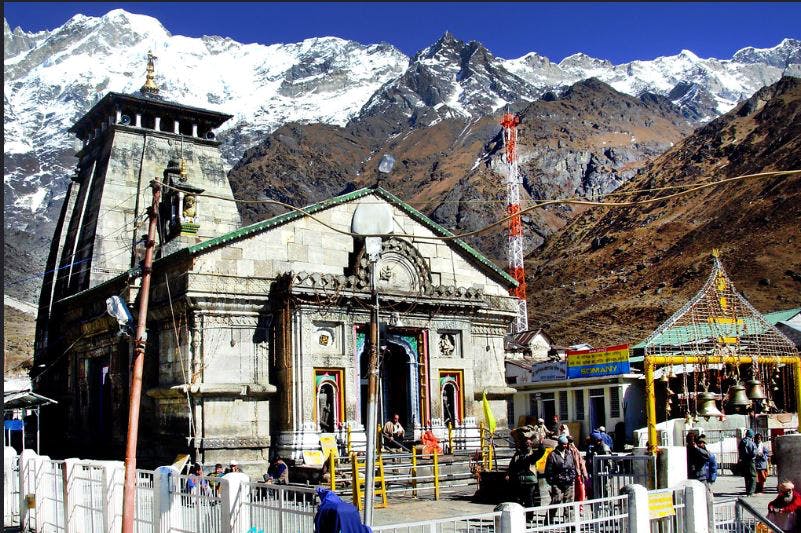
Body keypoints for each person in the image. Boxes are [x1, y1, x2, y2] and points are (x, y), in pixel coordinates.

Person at [506, 434, 546, 507]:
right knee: (518, 501)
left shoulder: (532, 456)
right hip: (519, 481)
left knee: (529, 500)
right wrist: (508, 474)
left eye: (530, 443)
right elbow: (512, 466)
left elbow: (541, 452)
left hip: (530, 482)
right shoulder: (517, 455)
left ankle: (529, 517)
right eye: (527, 443)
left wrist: (541, 444)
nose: (528, 445)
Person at [544, 436, 577, 523]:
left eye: (566, 444)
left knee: (569, 503)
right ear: (559, 444)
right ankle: (549, 519)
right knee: (556, 500)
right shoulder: (552, 455)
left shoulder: (569, 454)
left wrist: (572, 477)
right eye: (563, 444)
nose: (565, 446)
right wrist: (552, 481)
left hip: (568, 482)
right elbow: (548, 470)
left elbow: (572, 467)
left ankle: (569, 522)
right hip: (557, 482)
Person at [738, 429, 757, 496]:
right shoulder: (750, 442)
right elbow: (754, 452)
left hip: (744, 461)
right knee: (753, 476)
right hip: (750, 460)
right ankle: (751, 492)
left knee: (747, 476)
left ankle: (747, 490)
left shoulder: (742, 441)